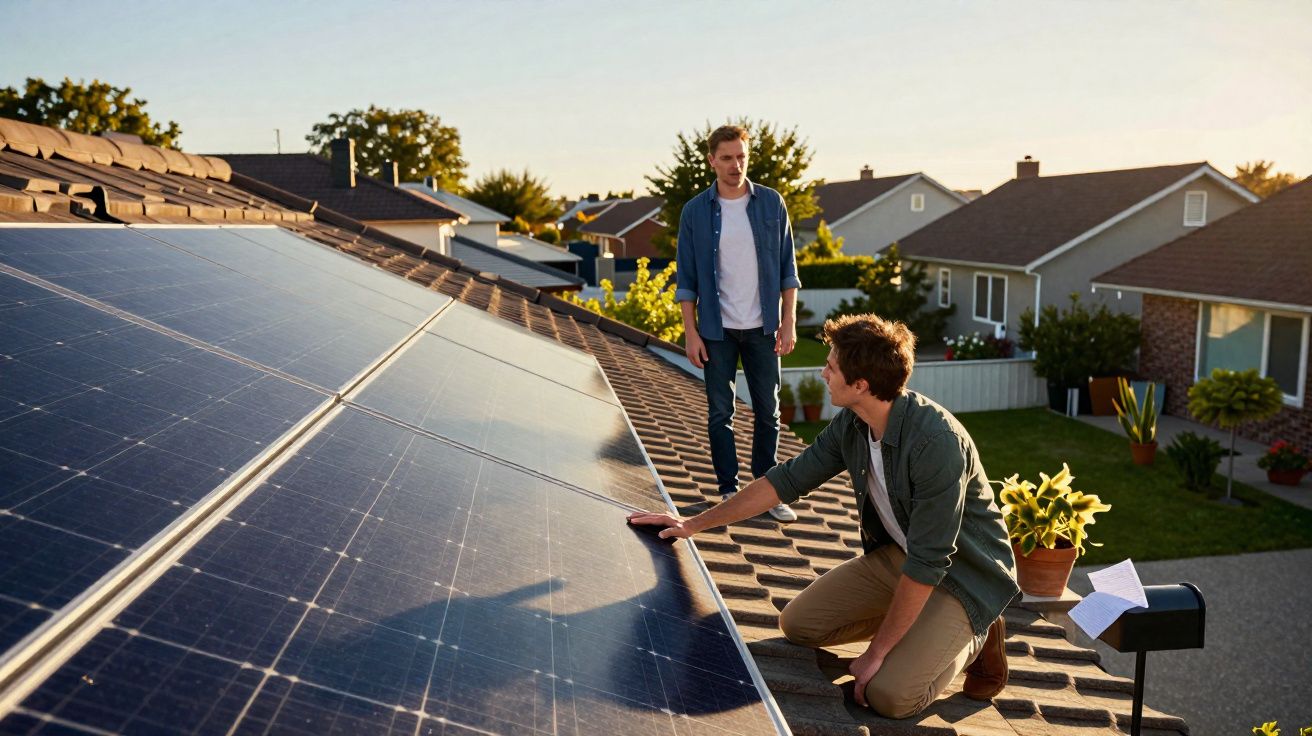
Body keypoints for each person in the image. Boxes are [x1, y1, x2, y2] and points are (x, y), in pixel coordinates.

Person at [628, 314, 1018, 719]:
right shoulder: (853, 423)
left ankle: (979, 631)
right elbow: (785, 481)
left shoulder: (936, 443)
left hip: (962, 578)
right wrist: (691, 525)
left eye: (831, 367)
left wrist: (875, 653)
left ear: (861, 385)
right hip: (905, 561)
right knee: (800, 625)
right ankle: (922, 627)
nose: (823, 372)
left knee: (890, 696)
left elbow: (930, 562)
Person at [674, 124, 800, 522]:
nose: (735, 165)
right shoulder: (695, 212)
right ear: (711, 160)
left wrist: (788, 322)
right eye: (726, 158)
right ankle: (729, 490)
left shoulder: (771, 204)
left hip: (764, 326)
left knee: (769, 412)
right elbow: (687, 278)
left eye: (741, 156)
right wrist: (691, 332)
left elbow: (787, 270)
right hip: (717, 329)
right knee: (720, 413)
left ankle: (765, 492)